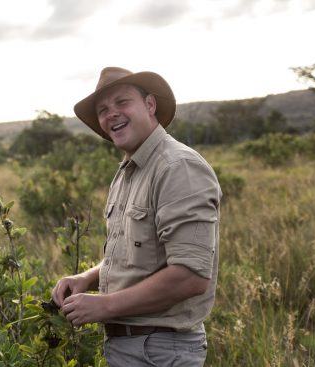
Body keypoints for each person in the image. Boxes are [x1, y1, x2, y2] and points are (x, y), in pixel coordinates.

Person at [51, 67, 222, 366]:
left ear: (150, 105)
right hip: (133, 348)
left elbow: (191, 276)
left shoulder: (177, 167)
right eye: (103, 109)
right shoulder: (129, 171)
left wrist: (104, 306)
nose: (111, 114)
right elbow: (137, 253)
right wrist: (87, 278)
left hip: (159, 351)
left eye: (122, 102)